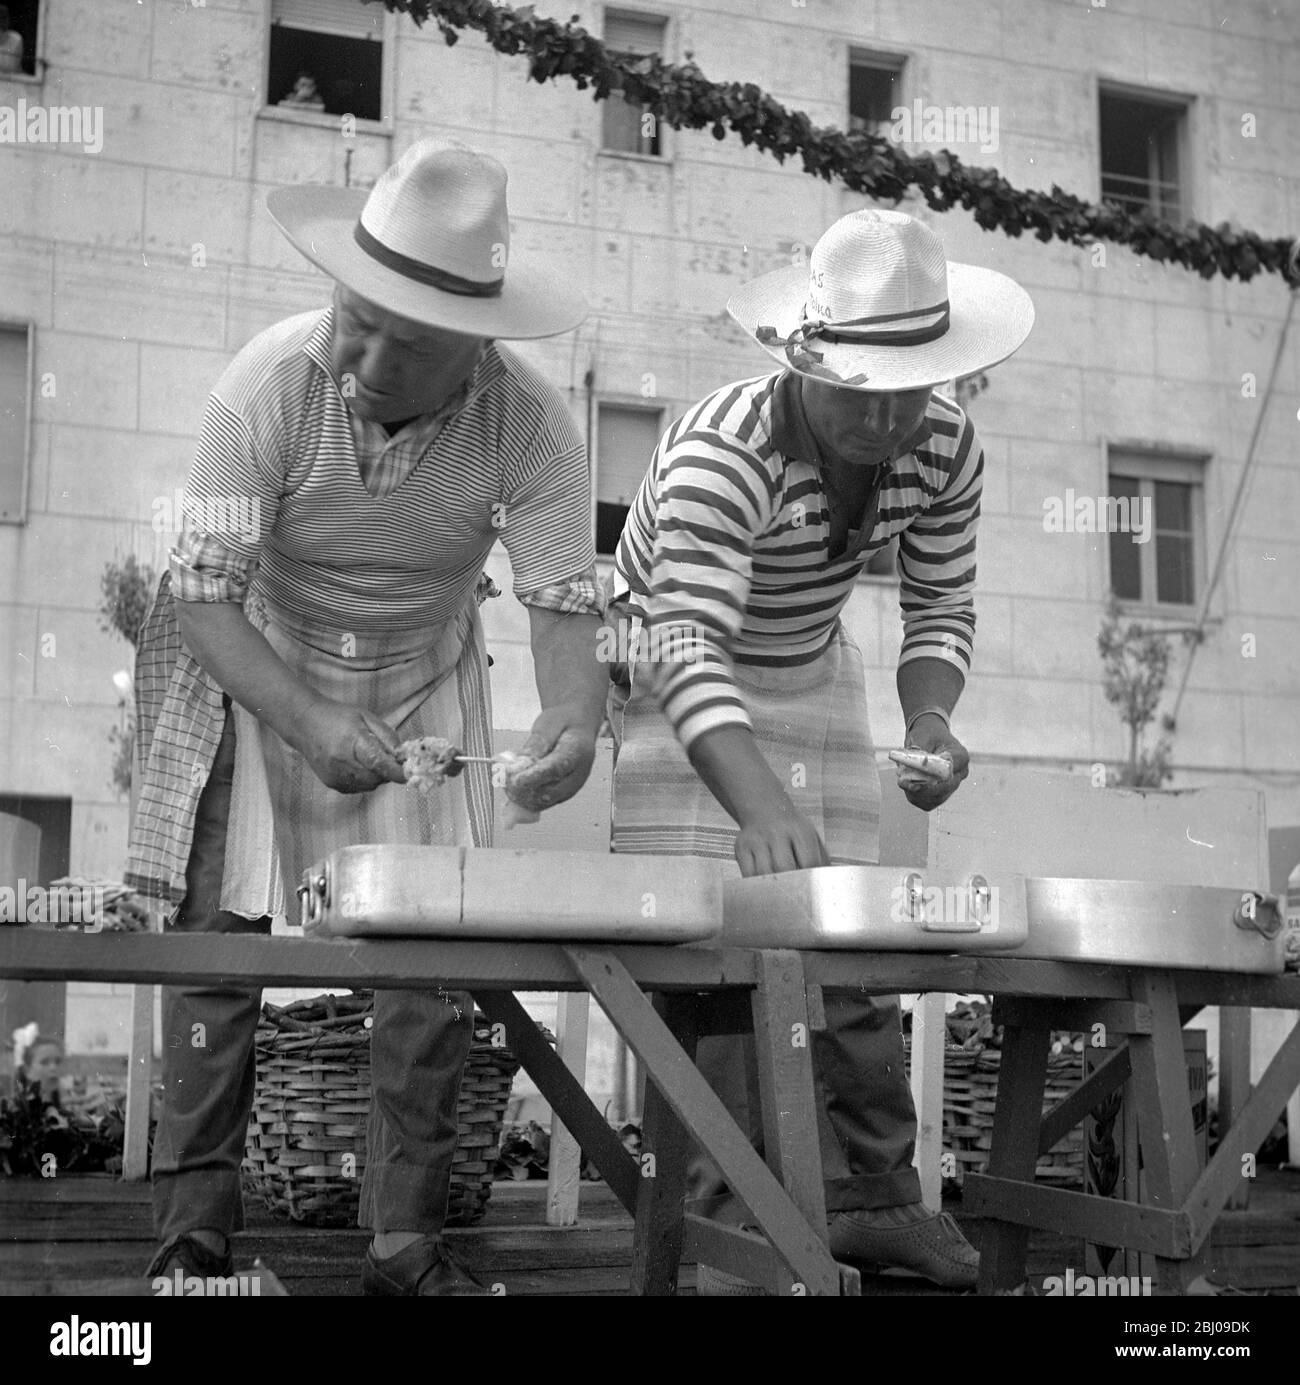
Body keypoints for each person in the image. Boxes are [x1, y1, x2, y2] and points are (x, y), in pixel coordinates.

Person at [127, 139, 608, 1295]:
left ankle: (403, 1250)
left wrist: (573, 728)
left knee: (429, 969)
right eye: (358, 316)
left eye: (411, 345)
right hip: (258, 651)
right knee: (213, 946)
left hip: (424, 673)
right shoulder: (267, 385)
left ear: (477, 353)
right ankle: (191, 1248)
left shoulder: (532, 431)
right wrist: (306, 720)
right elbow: (197, 595)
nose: (367, 357)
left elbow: (561, 617)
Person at [607, 208, 1034, 1292]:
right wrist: (754, 804)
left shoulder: (944, 444)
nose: (889, 417)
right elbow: (680, 642)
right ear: (804, 356)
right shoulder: (723, 449)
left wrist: (932, 722)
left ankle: (876, 1200)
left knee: (844, 946)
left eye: (912, 386)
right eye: (861, 387)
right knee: (713, 953)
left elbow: (940, 603)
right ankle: (722, 1217)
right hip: (665, 658)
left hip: (806, 656)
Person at [0, 6, 23, 76]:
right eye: (1, 18)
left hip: (12, 79)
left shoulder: (16, 38)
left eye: (4, 17)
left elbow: (11, 67)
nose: (2, 21)